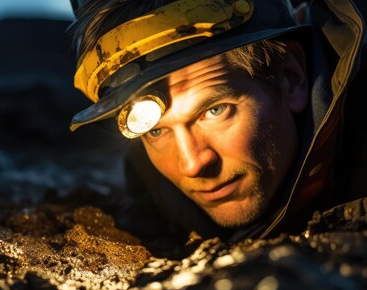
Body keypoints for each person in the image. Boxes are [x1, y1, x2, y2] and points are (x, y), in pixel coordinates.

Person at [67, 0, 367, 244]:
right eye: (155, 130)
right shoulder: (151, 199)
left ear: (292, 77)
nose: (192, 164)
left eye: (214, 110)